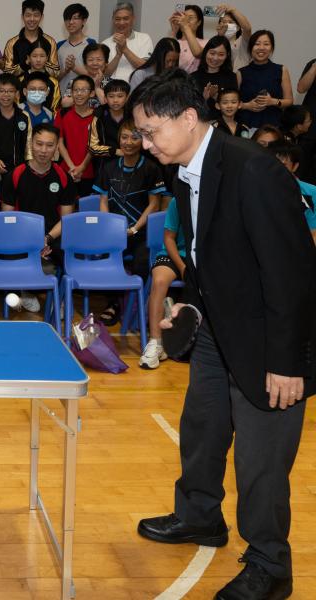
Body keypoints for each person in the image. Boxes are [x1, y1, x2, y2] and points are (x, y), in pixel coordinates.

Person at [131, 68, 315, 600]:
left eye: (150, 131)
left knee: (260, 461)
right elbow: (212, 257)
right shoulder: (189, 169)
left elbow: (291, 272)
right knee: (203, 427)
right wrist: (188, 306)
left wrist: (287, 361)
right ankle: (198, 516)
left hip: (267, 343)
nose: (145, 143)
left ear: (189, 119)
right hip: (218, 327)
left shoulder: (252, 171)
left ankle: (270, 564)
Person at [93, 118, 163, 326]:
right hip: (114, 233)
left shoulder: (151, 168)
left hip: (141, 232)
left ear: (143, 140)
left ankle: (135, 305)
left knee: (142, 261)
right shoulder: (109, 167)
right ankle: (113, 303)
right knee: (106, 258)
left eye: (135, 137)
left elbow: (154, 205)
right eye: (124, 137)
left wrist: (133, 229)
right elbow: (103, 200)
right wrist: (110, 227)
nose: (129, 142)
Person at [0, 123, 76, 310]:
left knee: (70, 251)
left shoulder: (64, 177)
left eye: (49, 145)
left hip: (52, 235)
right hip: (20, 236)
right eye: (39, 144)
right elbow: (7, 219)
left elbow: (66, 220)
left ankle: (59, 300)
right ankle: (25, 291)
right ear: (30, 144)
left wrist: (47, 239)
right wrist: (32, 242)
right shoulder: (15, 175)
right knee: (7, 251)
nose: (43, 150)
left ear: (57, 146)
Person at [139, 195, 186, 369]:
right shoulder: (178, 201)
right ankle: (156, 342)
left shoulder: (219, 198)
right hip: (174, 254)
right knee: (159, 281)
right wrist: (182, 267)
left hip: (203, 258)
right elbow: (169, 238)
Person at [0, 73, 32, 203]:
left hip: (19, 171)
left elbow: (29, 147)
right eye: (2, 91)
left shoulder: (23, 116)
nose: (6, 95)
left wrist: (27, 170)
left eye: (10, 91)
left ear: (17, 93)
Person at [237, 30, 293, 130]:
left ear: (271, 48)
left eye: (266, 44)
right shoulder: (241, 73)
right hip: (245, 126)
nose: (261, 48)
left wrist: (273, 101)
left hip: (273, 126)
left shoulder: (281, 70)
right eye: (257, 44)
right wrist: (247, 105)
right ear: (250, 48)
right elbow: (232, 102)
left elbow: (289, 101)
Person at [268, 140, 316, 245]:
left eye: (284, 165)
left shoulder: (311, 192)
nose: (276, 169)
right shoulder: (258, 189)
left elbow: (314, 232)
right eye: (273, 163)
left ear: (295, 166)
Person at [56, 75, 95, 195]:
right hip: (66, 170)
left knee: (87, 210)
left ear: (92, 93)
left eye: (84, 90)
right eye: (76, 90)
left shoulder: (97, 116)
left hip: (90, 172)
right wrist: (72, 167)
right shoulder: (62, 114)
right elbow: (59, 142)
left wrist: (81, 168)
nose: (79, 94)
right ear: (71, 92)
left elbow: (96, 145)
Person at [2, 0, 59, 78]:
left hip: (43, 88)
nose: (32, 19)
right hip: (19, 89)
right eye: (28, 15)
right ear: (22, 17)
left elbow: (56, 72)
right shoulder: (12, 43)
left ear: (42, 17)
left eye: (36, 15)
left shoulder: (50, 41)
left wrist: (40, 61)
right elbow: (7, 73)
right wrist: (24, 64)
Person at [102, 2, 153, 83]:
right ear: (113, 20)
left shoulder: (144, 38)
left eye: (126, 18)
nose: (121, 23)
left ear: (133, 19)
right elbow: (104, 75)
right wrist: (118, 55)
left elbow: (145, 67)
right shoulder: (105, 43)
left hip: (137, 88)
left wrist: (124, 49)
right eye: (117, 19)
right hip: (112, 91)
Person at [192, 36, 237, 121]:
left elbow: (233, 108)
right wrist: (204, 98)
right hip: (200, 124)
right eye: (212, 53)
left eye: (221, 54)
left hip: (223, 126)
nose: (215, 58)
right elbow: (188, 108)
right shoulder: (193, 77)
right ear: (206, 52)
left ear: (227, 55)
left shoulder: (231, 77)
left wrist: (217, 98)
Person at [56, 3, 97, 95]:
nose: (71, 22)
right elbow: (54, 78)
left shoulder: (91, 44)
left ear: (84, 21)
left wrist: (74, 68)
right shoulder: (59, 46)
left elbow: (96, 76)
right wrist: (65, 70)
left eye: (75, 18)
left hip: (84, 98)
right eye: (67, 18)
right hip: (62, 98)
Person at [88, 78, 130, 164]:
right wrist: (115, 151)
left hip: (132, 161)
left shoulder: (134, 116)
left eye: (120, 96)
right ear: (105, 98)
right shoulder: (99, 116)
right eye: (111, 96)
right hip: (105, 164)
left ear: (127, 98)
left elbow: (141, 140)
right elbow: (92, 147)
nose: (115, 100)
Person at [61, 42, 109, 108]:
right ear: (85, 64)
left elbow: (109, 105)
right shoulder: (75, 82)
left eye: (99, 59)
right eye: (90, 60)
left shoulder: (111, 84)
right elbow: (65, 104)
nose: (94, 63)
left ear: (106, 63)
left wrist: (96, 87)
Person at [214, 4, 252, 70]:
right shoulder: (214, 43)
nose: (226, 25)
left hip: (241, 78)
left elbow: (247, 28)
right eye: (223, 22)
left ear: (238, 27)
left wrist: (233, 10)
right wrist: (220, 36)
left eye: (230, 22)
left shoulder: (242, 41)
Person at [169, 5, 205, 73]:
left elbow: (197, 53)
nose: (186, 20)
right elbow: (165, 58)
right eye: (184, 17)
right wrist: (174, 31)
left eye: (190, 18)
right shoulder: (175, 41)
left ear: (199, 22)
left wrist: (185, 26)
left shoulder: (205, 42)